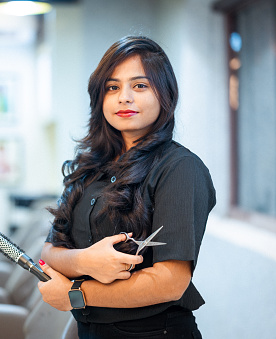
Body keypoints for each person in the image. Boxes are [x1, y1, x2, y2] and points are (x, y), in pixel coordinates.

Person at [37, 36, 216, 339]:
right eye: (113, 87)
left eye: (140, 86)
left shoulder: (180, 168)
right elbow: (49, 251)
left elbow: (171, 281)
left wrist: (76, 293)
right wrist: (86, 261)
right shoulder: (88, 167)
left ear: (165, 94)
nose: (124, 97)